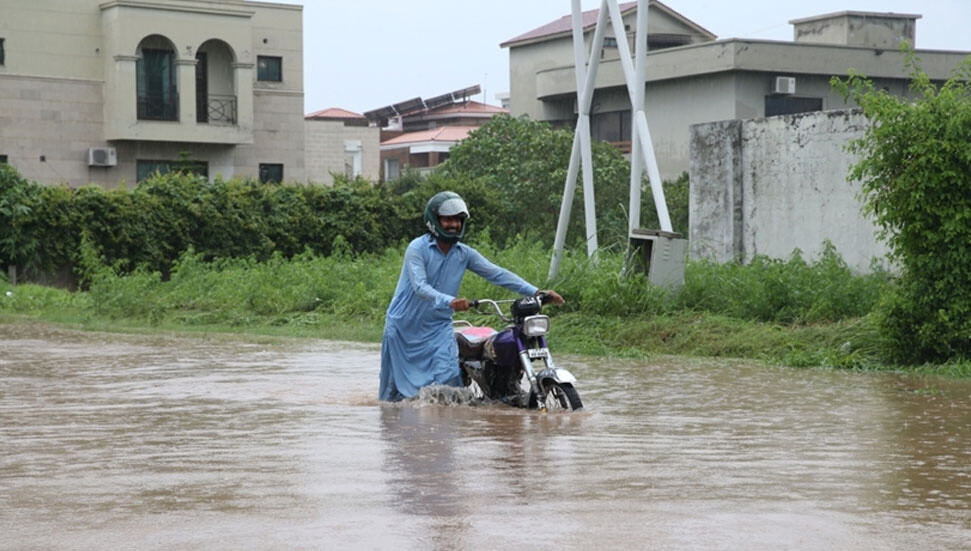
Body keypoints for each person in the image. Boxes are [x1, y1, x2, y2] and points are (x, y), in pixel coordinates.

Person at [379, 191, 564, 402]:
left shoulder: (464, 253)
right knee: (393, 393)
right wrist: (450, 301)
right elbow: (420, 287)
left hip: (437, 326)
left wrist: (536, 292)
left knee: (449, 377)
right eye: (448, 219)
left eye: (458, 220)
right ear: (434, 220)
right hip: (404, 326)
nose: (454, 225)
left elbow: (497, 274)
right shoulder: (417, 249)